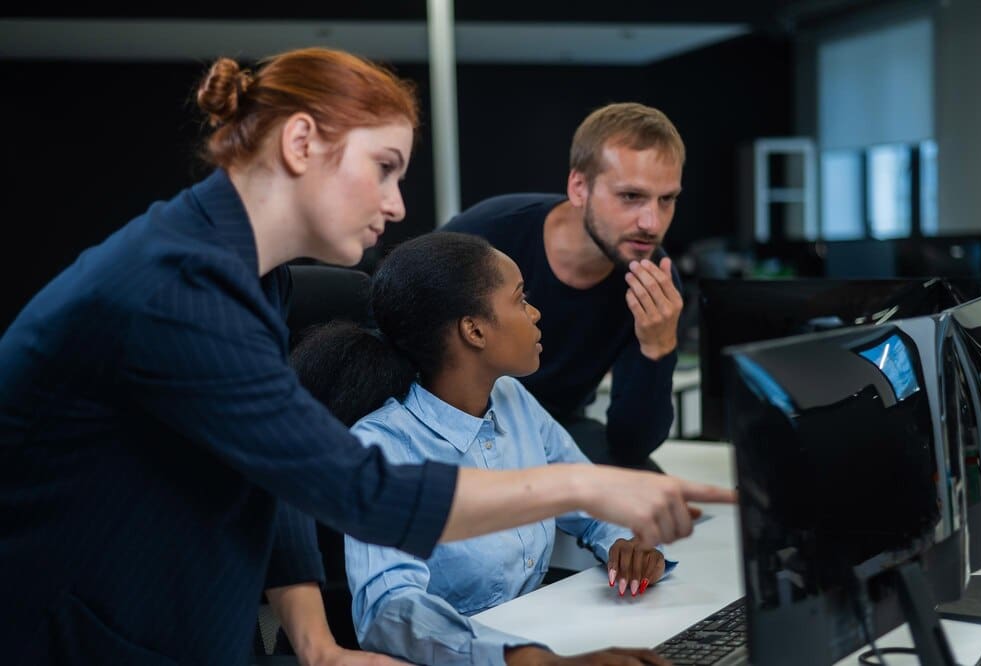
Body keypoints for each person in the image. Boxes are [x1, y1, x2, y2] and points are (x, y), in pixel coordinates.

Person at [0, 48, 733, 666]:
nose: (397, 205)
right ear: (300, 144)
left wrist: (318, 646)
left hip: (185, 614)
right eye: (384, 168)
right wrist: (582, 483)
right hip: (85, 628)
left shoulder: (251, 274)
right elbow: (359, 490)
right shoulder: (179, 291)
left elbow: (275, 472)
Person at [294, 231, 678, 665]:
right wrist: (522, 659)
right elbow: (390, 610)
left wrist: (627, 541)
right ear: (473, 330)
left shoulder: (514, 400)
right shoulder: (384, 445)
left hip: (544, 641)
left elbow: (592, 498)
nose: (534, 313)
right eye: (519, 299)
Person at [441, 102, 685, 472]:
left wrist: (658, 348)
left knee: (648, 491)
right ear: (579, 187)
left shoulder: (654, 280)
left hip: (555, 429)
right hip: (452, 423)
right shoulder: (487, 233)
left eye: (666, 199)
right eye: (631, 197)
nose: (652, 223)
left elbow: (631, 445)